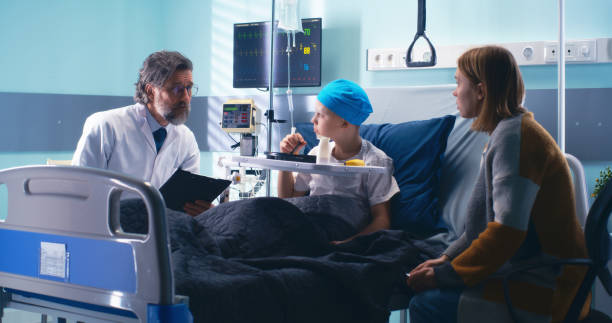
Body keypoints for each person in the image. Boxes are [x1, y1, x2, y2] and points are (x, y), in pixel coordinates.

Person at [406, 46, 589, 322]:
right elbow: (478, 228)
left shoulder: (515, 139)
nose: (454, 92)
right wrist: (446, 258)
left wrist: (447, 275)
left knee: (425, 304)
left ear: (480, 91)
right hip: (530, 273)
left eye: (458, 83)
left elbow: (506, 233)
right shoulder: (509, 131)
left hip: (547, 288)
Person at [72, 50, 210, 216]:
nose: (186, 98)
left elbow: (189, 197)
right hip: (111, 230)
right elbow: (80, 192)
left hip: (164, 229)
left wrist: (201, 208)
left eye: (189, 88)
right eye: (177, 89)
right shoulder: (106, 125)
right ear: (151, 91)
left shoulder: (186, 138)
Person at [277, 79, 400, 244]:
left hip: (341, 228)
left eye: (320, 114)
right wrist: (287, 158)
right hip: (308, 225)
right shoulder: (316, 153)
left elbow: (382, 220)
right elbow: (287, 201)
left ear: (344, 122)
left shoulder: (375, 161)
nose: (313, 120)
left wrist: (348, 243)